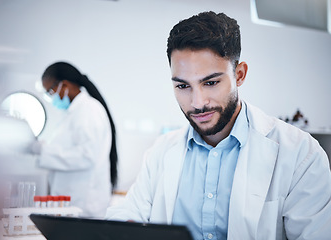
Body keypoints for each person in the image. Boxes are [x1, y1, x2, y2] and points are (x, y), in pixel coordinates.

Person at [105, 11, 331, 239]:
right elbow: (125, 216)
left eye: (211, 82)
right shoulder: (161, 152)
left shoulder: (300, 155)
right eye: (183, 86)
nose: (198, 103)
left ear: (239, 74)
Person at [33, 62, 118, 218]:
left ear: (64, 85)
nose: (50, 98)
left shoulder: (89, 110)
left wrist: (43, 151)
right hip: (72, 206)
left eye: (50, 92)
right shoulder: (72, 113)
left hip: (84, 207)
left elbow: (86, 156)